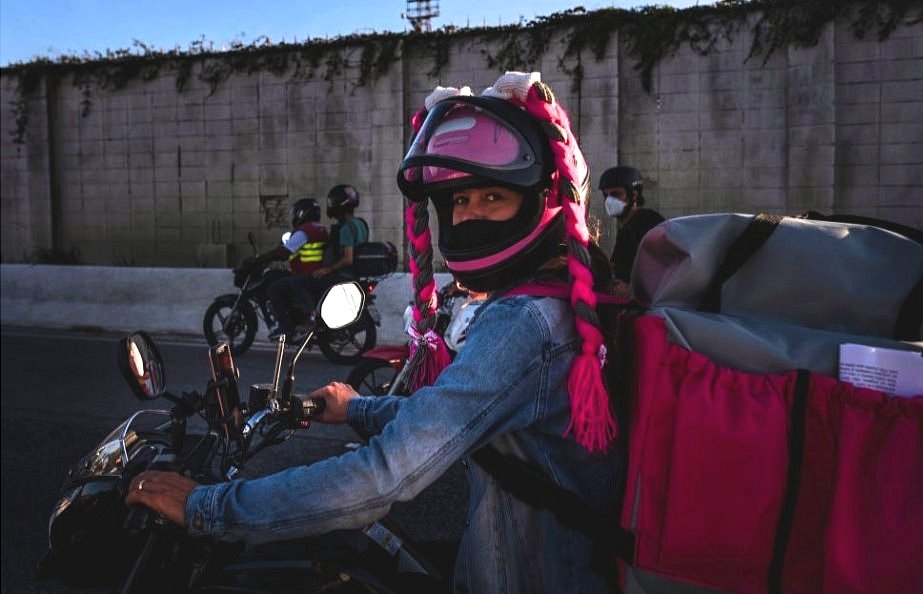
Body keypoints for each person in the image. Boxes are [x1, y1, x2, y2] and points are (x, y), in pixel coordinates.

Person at [125, 72, 624, 594]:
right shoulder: (556, 303)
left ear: (540, 197)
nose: (469, 215)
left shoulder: (523, 321)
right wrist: (359, 408)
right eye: (457, 201)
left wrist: (208, 507)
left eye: (491, 196)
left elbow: (385, 474)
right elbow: (457, 413)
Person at [265, 184, 369, 342]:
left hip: (341, 275)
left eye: (333, 202)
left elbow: (348, 258)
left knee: (296, 283)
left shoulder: (346, 228)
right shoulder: (361, 224)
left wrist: (328, 269)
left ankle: (311, 318)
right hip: (353, 275)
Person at [244, 197, 330, 342]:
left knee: (273, 288)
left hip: (306, 275)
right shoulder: (320, 229)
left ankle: (285, 327)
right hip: (312, 272)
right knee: (272, 275)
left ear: (301, 213)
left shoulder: (304, 231)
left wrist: (260, 259)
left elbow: (284, 252)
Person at [598, 165, 665, 297]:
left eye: (616, 194)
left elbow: (663, 271)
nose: (609, 201)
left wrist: (632, 290)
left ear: (634, 195)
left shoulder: (648, 223)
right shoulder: (626, 229)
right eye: (606, 195)